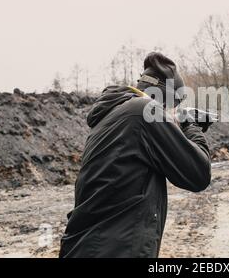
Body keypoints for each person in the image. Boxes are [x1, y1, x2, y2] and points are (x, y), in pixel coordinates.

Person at [59, 52, 211, 258]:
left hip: (87, 248)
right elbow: (198, 175)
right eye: (172, 107)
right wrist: (189, 125)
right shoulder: (143, 111)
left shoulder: (111, 118)